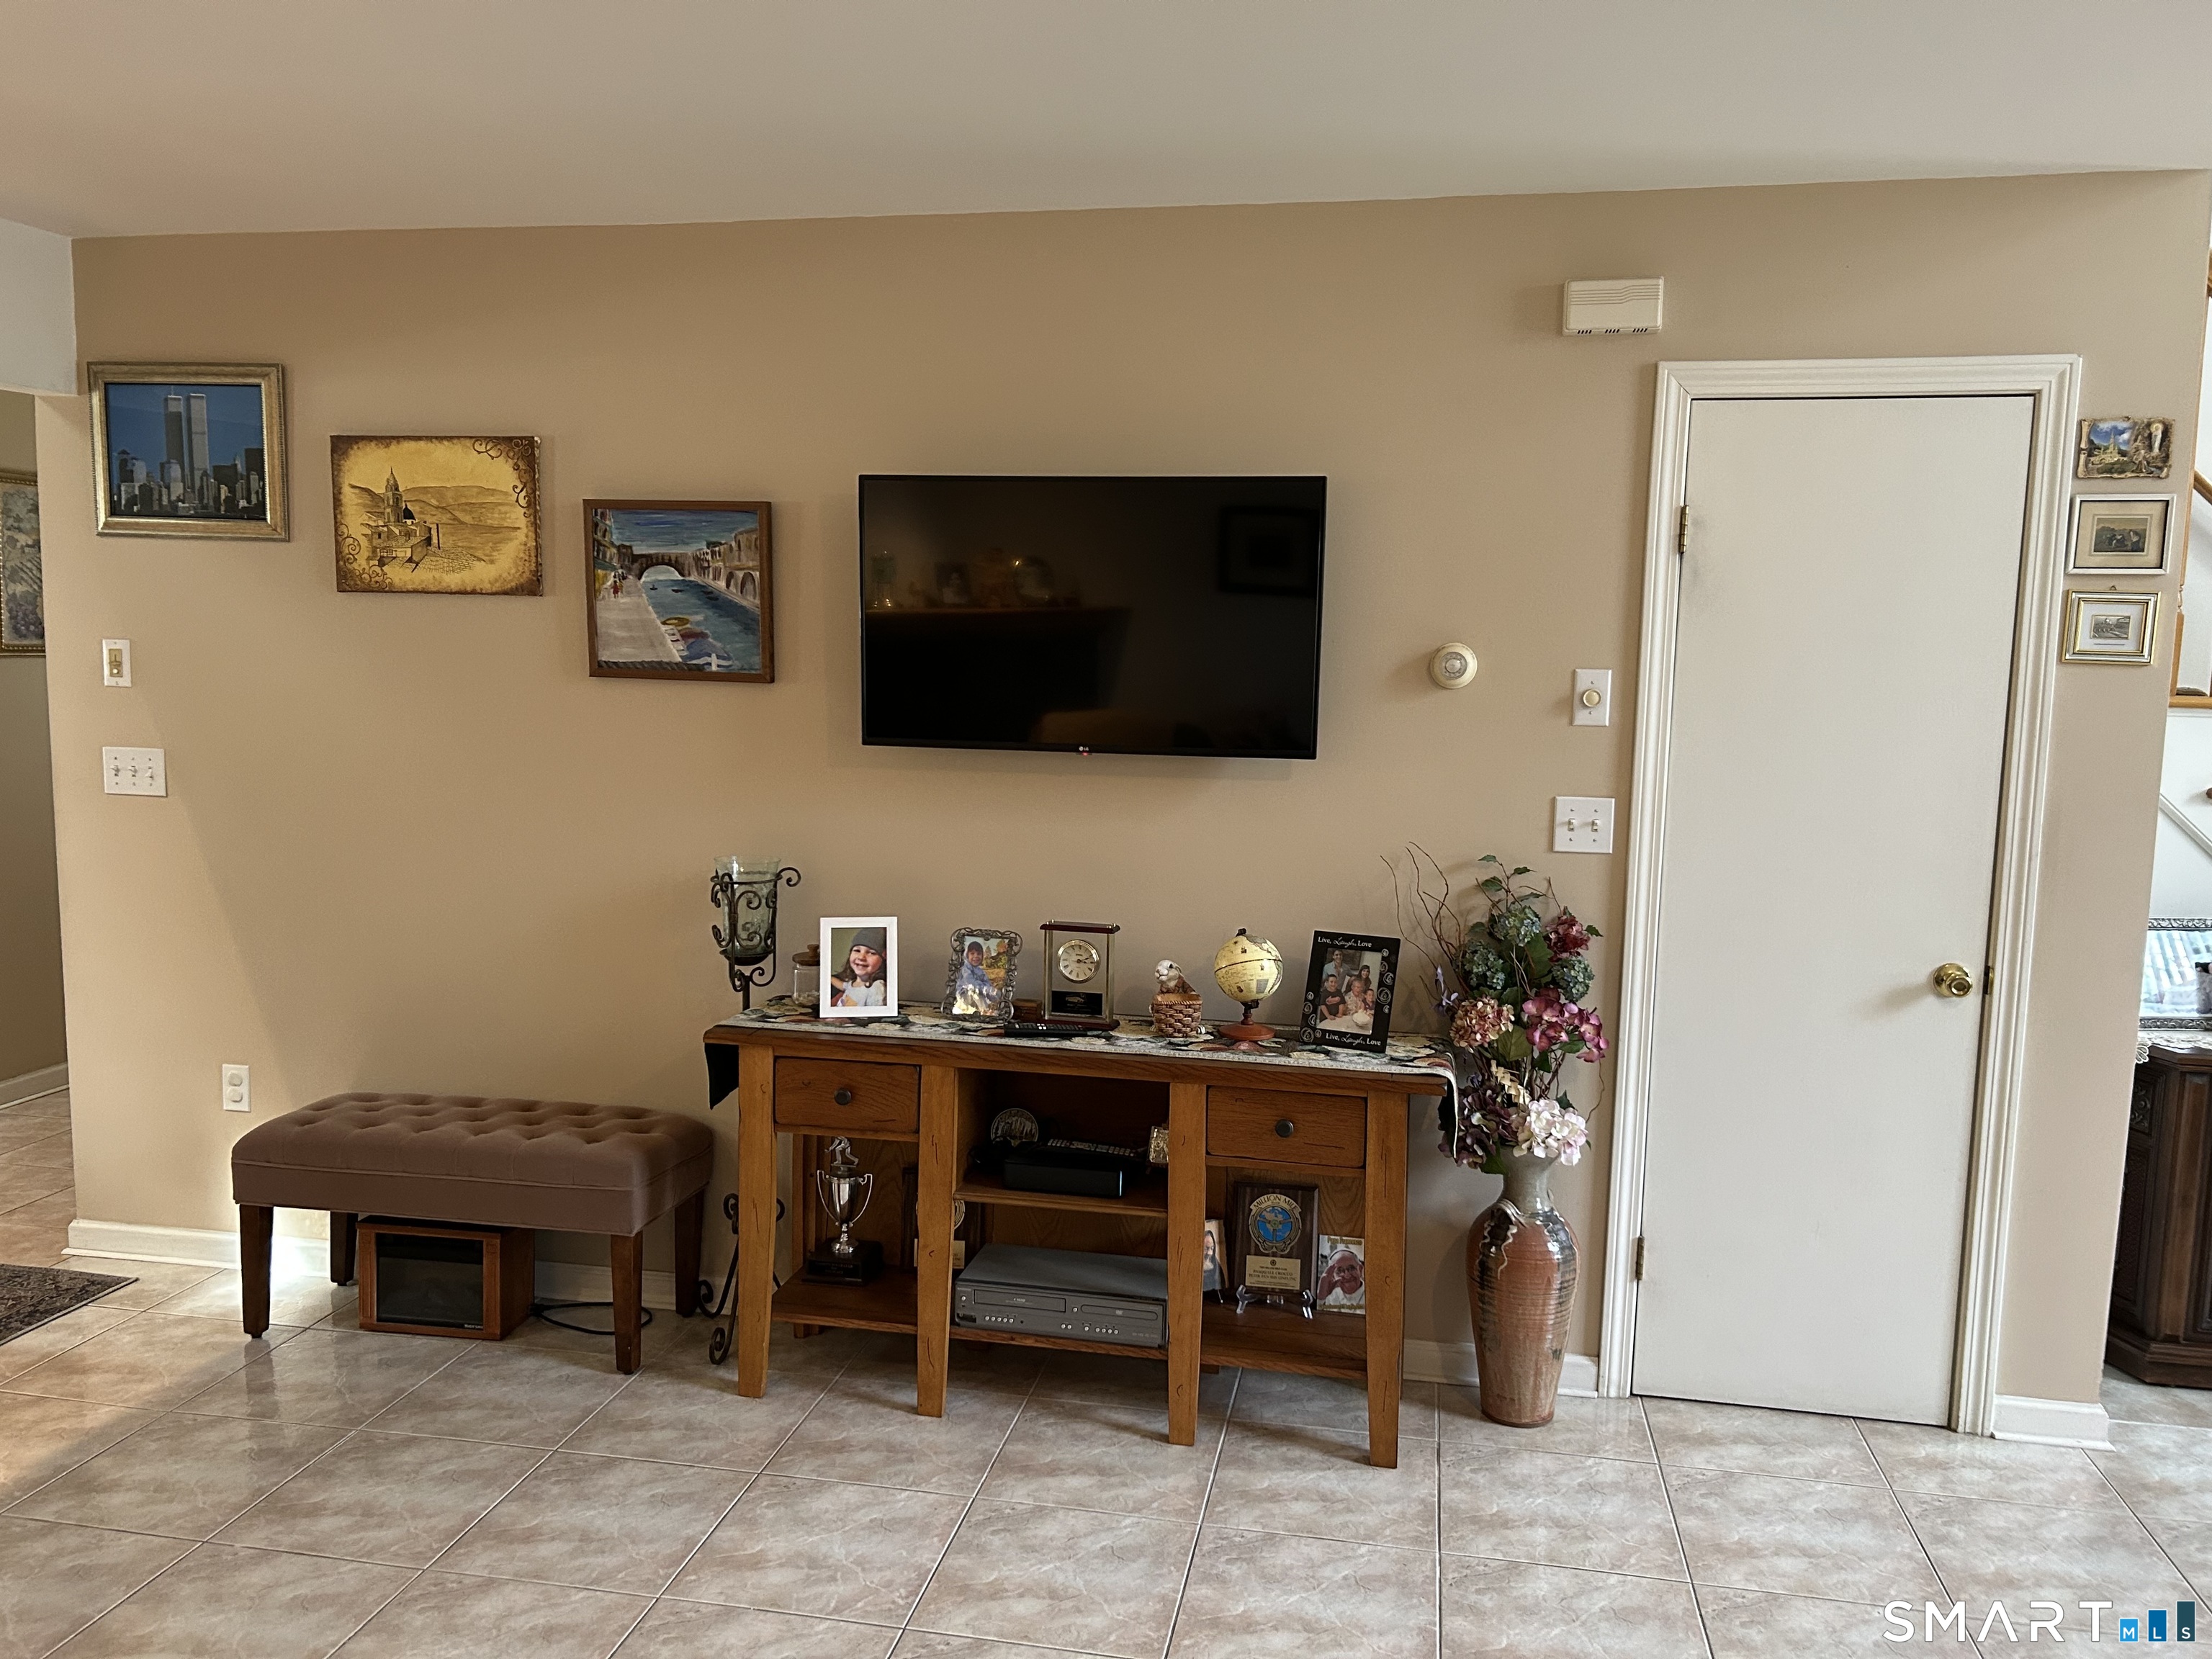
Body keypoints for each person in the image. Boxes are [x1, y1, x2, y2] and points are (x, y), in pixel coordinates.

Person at [831, 927, 889, 1007]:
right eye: (857, 951)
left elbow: (874, 1017)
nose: (861, 957)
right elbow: (842, 985)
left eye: (871, 953)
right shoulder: (852, 984)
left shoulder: (876, 988)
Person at [953, 938, 999, 1017]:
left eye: (979, 954)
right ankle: (985, 1011)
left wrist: (993, 993)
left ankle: (988, 1011)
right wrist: (985, 988)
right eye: (972, 953)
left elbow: (987, 984)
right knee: (976, 992)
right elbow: (971, 983)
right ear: (967, 955)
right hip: (964, 994)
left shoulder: (981, 971)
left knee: (987, 993)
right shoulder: (966, 968)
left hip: (976, 994)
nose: (976, 956)